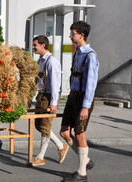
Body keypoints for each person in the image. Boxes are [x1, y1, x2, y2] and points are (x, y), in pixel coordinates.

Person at [60, 21, 99, 182]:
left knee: (80, 134)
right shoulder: (77, 53)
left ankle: (82, 173)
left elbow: (91, 83)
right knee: (64, 132)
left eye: (72, 33)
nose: (70, 35)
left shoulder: (90, 55)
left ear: (81, 35)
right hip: (73, 96)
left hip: (83, 98)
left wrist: (85, 106)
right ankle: (86, 160)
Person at [30, 35, 69, 166]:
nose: (33, 47)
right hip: (41, 96)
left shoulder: (52, 61)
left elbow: (55, 84)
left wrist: (53, 102)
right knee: (38, 126)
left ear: (43, 45)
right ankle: (61, 146)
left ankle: (40, 157)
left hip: (48, 97)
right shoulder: (40, 61)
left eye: (35, 45)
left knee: (45, 127)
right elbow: (38, 81)